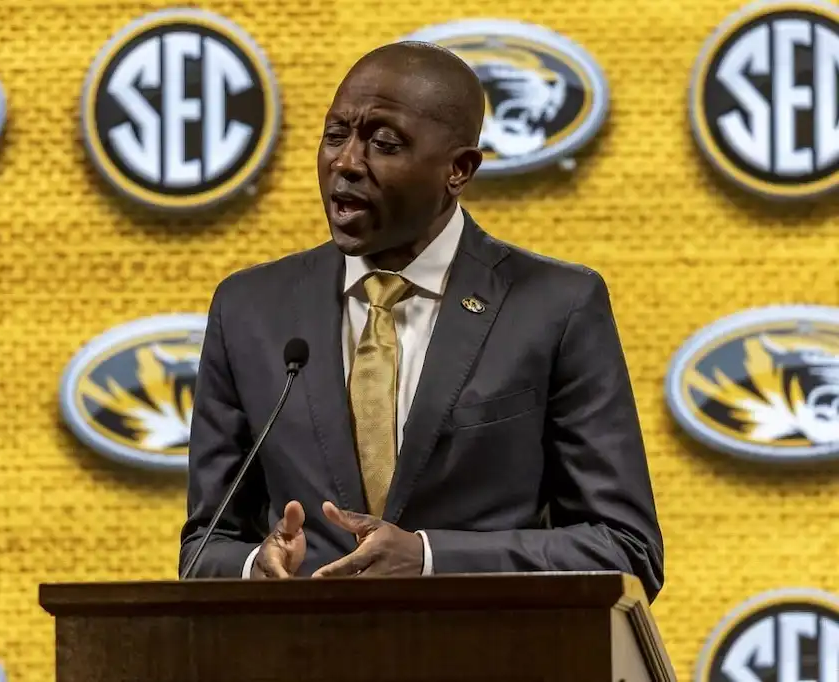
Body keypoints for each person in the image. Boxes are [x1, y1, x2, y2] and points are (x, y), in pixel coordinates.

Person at [179, 40, 665, 601]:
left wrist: (432, 559)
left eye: (383, 144)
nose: (346, 162)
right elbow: (205, 549)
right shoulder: (250, 310)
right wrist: (256, 568)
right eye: (336, 134)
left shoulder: (556, 307)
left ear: (459, 169)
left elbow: (626, 549)